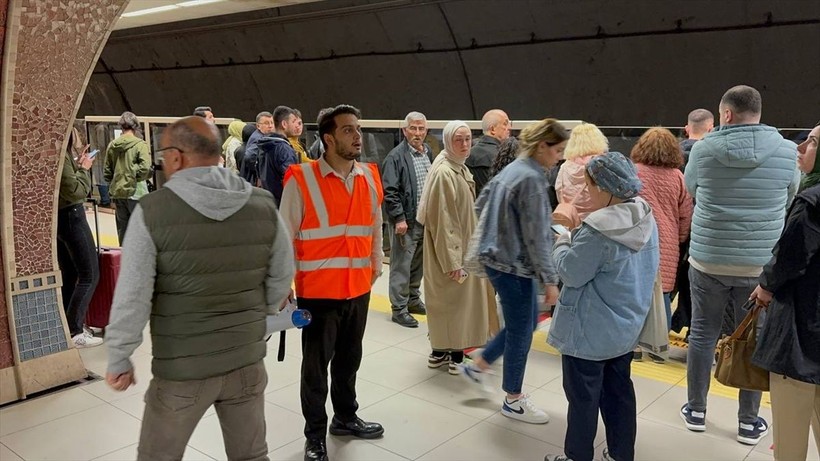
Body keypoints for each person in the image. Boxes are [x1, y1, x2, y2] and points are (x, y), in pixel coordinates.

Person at [104, 116, 294, 461]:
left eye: (162, 156)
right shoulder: (264, 204)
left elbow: (133, 295)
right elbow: (282, 275)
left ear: (176, 157)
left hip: (182, 372)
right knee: (252, 456)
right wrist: (255, 316)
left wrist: (119, 355)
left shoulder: (152, 211)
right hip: (246, 363)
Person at [681, 85, 800, 445]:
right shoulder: (787, 151)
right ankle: (748, 422)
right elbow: (790, 196)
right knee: (753, 338)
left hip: (707, 259)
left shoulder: (702, 150)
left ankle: (696, 410)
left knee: (702, 333)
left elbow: (692, 190)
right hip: (759, 268)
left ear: (727, 115)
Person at [279, 105, 385, 461]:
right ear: (328, 138)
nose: (357, 136)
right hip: (318, 291)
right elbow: (284, 234)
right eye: (348, 130)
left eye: (358, 129)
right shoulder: (301, 178)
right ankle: (314, 435)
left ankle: (345, 416)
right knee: (315, 368)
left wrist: (375, 264)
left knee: (349, 359)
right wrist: (282, 283)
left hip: (358, 287)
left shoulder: (369, 175)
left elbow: (374, 224)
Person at [545, 151, 660, 461]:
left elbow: (571, 272)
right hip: (625, 327)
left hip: (589, 333)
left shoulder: (598, 231)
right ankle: (621, 455)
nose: (586, 192)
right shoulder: (645, 215)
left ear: (608, 188)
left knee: (583, 400)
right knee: (619, 395)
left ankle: (577, 456)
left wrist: (564, 239)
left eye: (590, 185)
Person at [461, 118, 568, 424]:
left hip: (497, 259)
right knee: (523, 329)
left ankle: (480, 364)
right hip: (515, 265)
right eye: (557, 149)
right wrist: (550, 279)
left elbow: (481, 205)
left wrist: (503, 229)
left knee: (525, 322)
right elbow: (536, 237)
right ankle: (514, 398)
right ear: (543, 146)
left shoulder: (513, 168)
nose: (559, 156)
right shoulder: (533, 180)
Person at [749, 122, 819, 461]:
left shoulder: (810, 202)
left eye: (813, 142)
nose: (801, 148)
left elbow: (789, 258)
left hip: (801, 329)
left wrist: (765, 286)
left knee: (791, 427)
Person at [416, 120, 492, 374]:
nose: (464, 144)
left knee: (455, 305)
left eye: (468, 138)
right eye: (458, 139)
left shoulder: (456, 166)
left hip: (460, 248)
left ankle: (443, 353)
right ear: (448, 141)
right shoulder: (445, 173)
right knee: (454, 304)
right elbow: (444, 220)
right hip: (451, 252)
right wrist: (453, 262)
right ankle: (454, 359)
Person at [631, 127, 693, 358]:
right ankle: (658, 347)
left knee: (636, 292)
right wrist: (678, 238)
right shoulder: (677, 176)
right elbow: (686, 213)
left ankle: (635, 346)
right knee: (663, 294)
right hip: (667, 241)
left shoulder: (635, 172)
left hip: (637, 238)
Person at [381, 111, 434, 328]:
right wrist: (399, 218)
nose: (417, 133)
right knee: (401, 265)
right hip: (406, 222)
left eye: (421, 129)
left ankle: (413, 299)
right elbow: (390, 191)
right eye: (413, 128)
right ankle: (399, 308)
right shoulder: (395, 157)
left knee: (417, 265)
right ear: (405, 130)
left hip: (423, 220)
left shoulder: (427, 152)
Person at [57, 127, 102, 348]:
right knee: (90, 273)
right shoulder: (61, 155)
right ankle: (75, 330)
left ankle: (68, 325)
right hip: (72, 216)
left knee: (71, 273)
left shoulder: (59, 155)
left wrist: (77, 163)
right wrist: (84, 169)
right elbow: (74, 190)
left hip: (60, 218)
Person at [104, 111, 152, 245]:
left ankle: (124, 260)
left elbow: (107, 172)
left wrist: (119, 177)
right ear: (136, 127)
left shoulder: (112, 146)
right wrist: (131, 172)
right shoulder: (140, 145)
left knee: (123, 230)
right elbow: (145, 168)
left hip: (118, 193)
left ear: (121, 127)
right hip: (137, 192)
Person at [555, 122, 609, 222]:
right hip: (598, 223)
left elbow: (559, 194)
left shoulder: (564, 167)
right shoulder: (601, 166)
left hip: (571, 222)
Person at [259, 105, 299, 204]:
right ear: (284, 124)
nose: (296, 126)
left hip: (269, 202)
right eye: (293, 121)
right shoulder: (284, 149)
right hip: (283, 204)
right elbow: (291, 181)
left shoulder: (265, 145)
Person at [466, 109, 511, 194]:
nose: (509, 128)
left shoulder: (468, 155)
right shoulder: (503, 157)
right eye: (505, 124)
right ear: (492, 129)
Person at [240, 111, 275, 185]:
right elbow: (249, 157)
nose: (270, 126)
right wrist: (262, 171)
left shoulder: (263, 137)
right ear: (258, 126)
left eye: (272, 122)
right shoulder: (259, 139)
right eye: (266, 123)